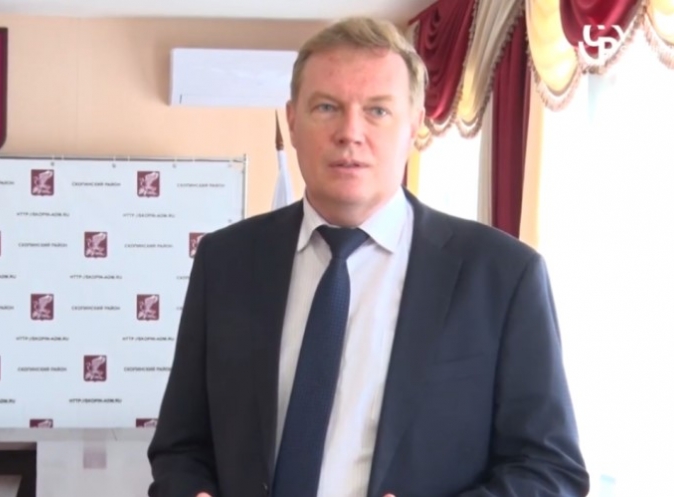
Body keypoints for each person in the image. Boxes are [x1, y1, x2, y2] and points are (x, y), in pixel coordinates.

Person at [147, 16, 589, 497]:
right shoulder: (225, 262)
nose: (350, 132)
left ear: (414, 125)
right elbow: (181, 448)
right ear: (292, 121)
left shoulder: (503, 276)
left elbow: (550, 470)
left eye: (377, 110)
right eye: (326, 107)